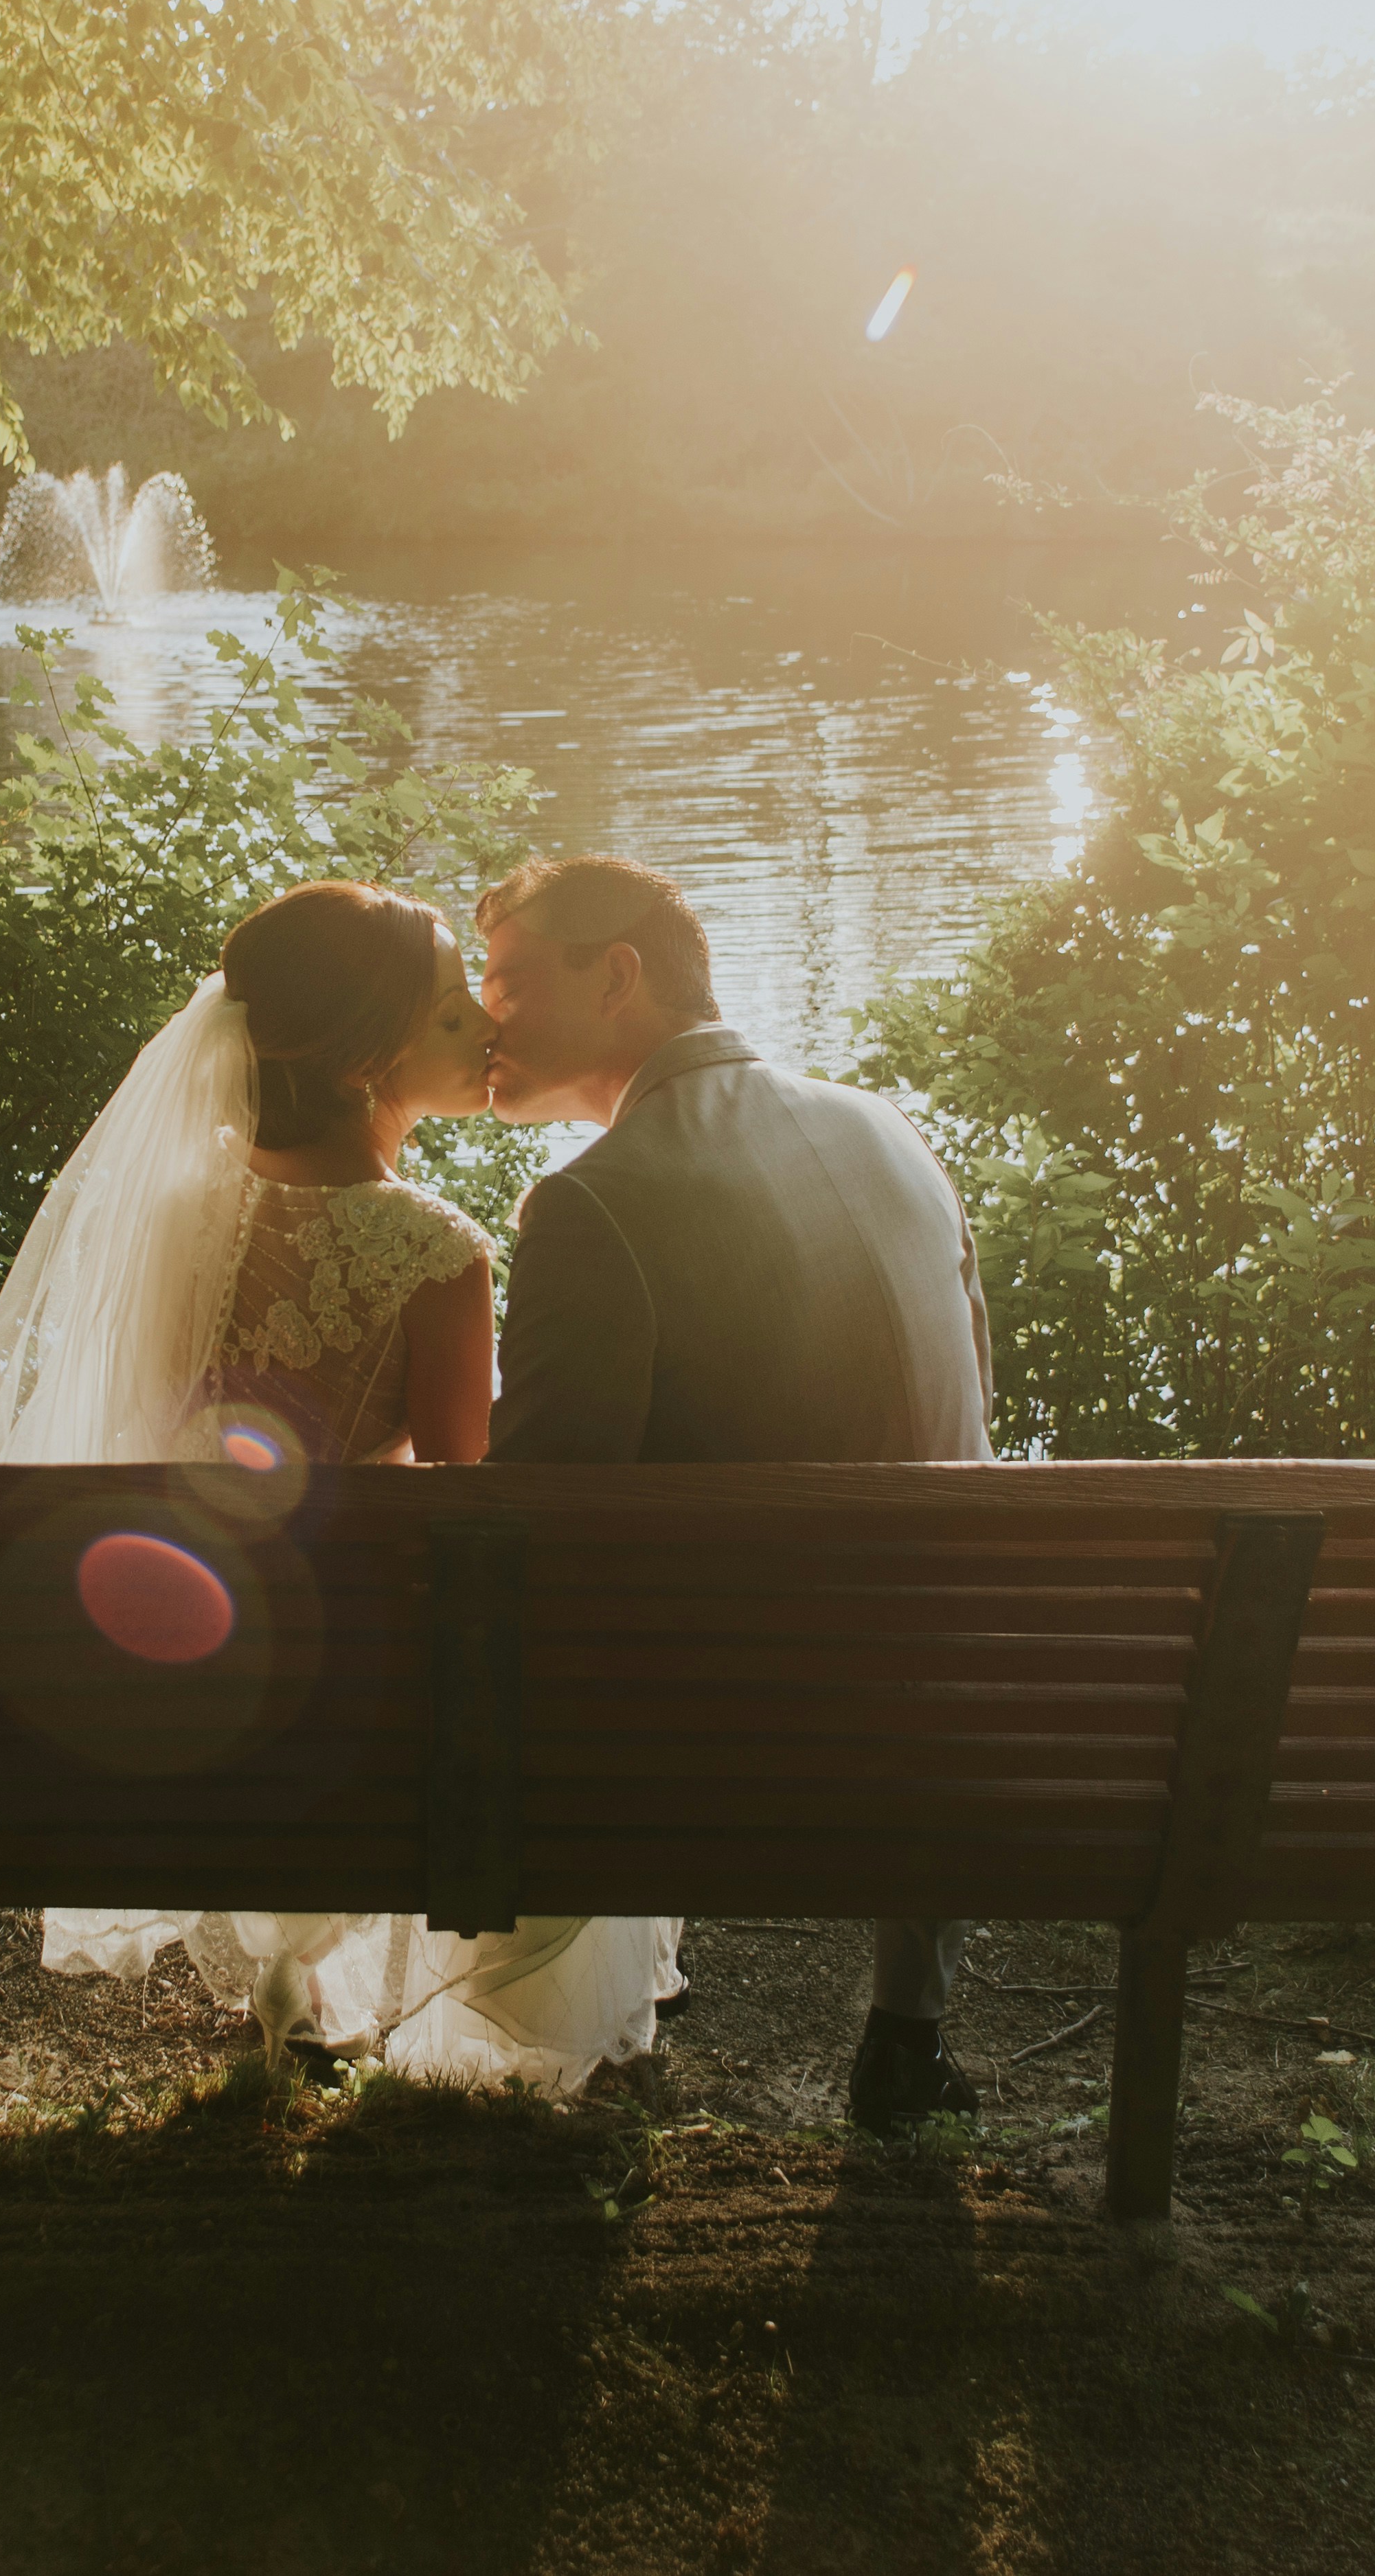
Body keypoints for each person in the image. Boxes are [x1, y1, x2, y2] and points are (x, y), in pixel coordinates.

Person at [0, 879, 683, 2093]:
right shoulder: (436, 1252)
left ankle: (290, 1988)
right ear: (363, 1059)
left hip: (179, 1672)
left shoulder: (171, 1214)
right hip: (354, 1697)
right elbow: (468, 1507)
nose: (486, 1032)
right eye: (455, 1016)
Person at [475, 853, 999, 2133]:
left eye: (508, 981)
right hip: (963, 1711)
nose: (486, 1017)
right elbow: (960, 1407)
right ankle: (907, 2026)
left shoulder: (591, 1200)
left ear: (617, 976)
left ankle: (553, 2011)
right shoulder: (889, 1128)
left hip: (747, 1732)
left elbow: (524, 1527)